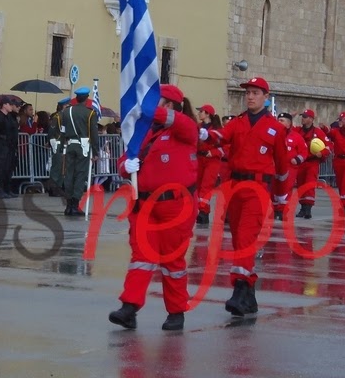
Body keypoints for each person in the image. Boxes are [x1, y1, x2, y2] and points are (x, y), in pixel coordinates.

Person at [108, 84, 198, 332]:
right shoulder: (143, 131)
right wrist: (127, 166)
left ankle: (176, 311)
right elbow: (125, 159)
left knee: (172, 260)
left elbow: (176, 122)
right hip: (144, 205)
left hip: (175, 206)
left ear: (169, 106)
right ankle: (129, 307)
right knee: (141, 258)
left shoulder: (186, 128)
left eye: (156, 102)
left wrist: (142, 107)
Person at [203, 77, 287, 317]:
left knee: (247, 237)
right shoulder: (237, 123)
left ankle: (239, 289)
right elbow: (221, 137)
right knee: (240, 239)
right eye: (248, 93)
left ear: (265, 97)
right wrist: (203, 134)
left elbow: (282, 167)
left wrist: (280, 198)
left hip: (258, 189)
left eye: (255, 93)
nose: (250, 97)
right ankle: (249, 297)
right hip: (236, 188)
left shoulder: (276, 128)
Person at [60, 87, 100, 216]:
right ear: (87, 99)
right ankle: (75, 204)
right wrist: (96, 152)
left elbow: (63, 131)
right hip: (83, 147)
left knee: (69, 174)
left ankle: (68, 205)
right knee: (80, 175)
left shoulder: (67, 111)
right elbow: (94, 134)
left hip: (70, 145)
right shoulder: (90, 113)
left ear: (76, 98)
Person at [295, 109, 329, 219]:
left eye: (305, 117)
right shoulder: (298, 131)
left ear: (311, 119)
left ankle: (308, 209)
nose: (302, 119)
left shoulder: (318, 133)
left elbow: (328, 146)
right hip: (301, 163)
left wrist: (322, 153)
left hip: (312, 162)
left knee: (309, 185)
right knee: (301, 185)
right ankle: (302, 208)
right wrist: (289, 116)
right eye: (302, 116)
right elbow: (286, 129)